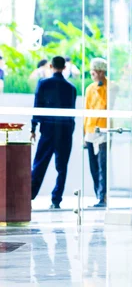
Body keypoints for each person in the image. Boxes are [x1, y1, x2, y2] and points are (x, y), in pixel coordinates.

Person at [30, 56, 77, 209]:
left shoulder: (43, 84)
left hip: (48, 129)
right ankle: (56, 199)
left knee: (39, 164)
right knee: (62, 167)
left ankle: (29, 196)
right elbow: (72, 112)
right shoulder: (71, 88)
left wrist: (33, 128)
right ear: (64, 68)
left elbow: (38, 106)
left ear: (51, 66)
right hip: (65, 130)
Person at [84, 58, 108, 208]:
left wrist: (101, 85)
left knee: (102, 165)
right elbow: (86, 111)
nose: (92, 75)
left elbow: (105, 105)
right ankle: (97, 195)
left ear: (100, 72)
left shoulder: (109, 87)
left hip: (104, 131)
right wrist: (83, 133)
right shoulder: (89, 88)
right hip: (90, 131)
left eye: (94, 72)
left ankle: (102, 196)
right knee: (93, 166)